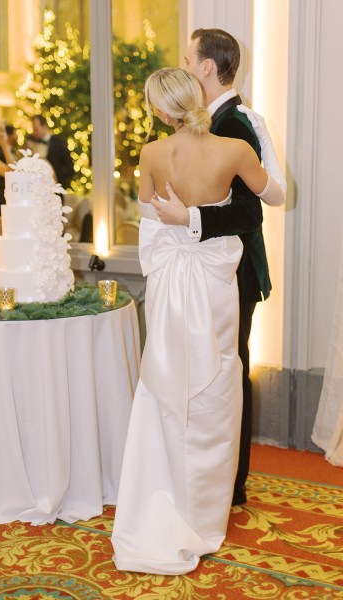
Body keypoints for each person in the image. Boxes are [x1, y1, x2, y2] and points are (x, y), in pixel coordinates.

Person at [111, 67, 284, 575]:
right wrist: (264, 154)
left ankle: (161, 493)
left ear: (160, 110)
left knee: (167, 383)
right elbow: (272, 196)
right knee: (215, 385)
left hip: (170, 283)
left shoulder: (150, 154)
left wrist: (180, 220)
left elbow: (148, 215)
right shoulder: (234, 150)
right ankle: (206, 510)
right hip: (212, 284)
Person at [151, 28, 286, 507]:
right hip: (203, 269)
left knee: (228, 373)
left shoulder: (233, 125)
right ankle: (213, 477)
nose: (184, 67)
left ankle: (230, 483)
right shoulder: (211, 121)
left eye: (188, 60)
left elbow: (251, 212)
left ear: (206, 68)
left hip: (229, 272)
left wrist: (189, 218)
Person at [26, 115, 74, 190]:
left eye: (36, 129)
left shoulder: (59, 143)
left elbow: (69, 168)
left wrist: (52, 176)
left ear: (44, 126)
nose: (34, 133)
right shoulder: (30, 143)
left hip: (54, 189)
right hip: (35, 190)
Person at [0, 124, 20, 215]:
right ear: (8, 136)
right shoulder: (0, 153)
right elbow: (13, 171)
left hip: (13, 198)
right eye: (15, 134)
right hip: (4, 199)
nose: (16, 136)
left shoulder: (13, 151)